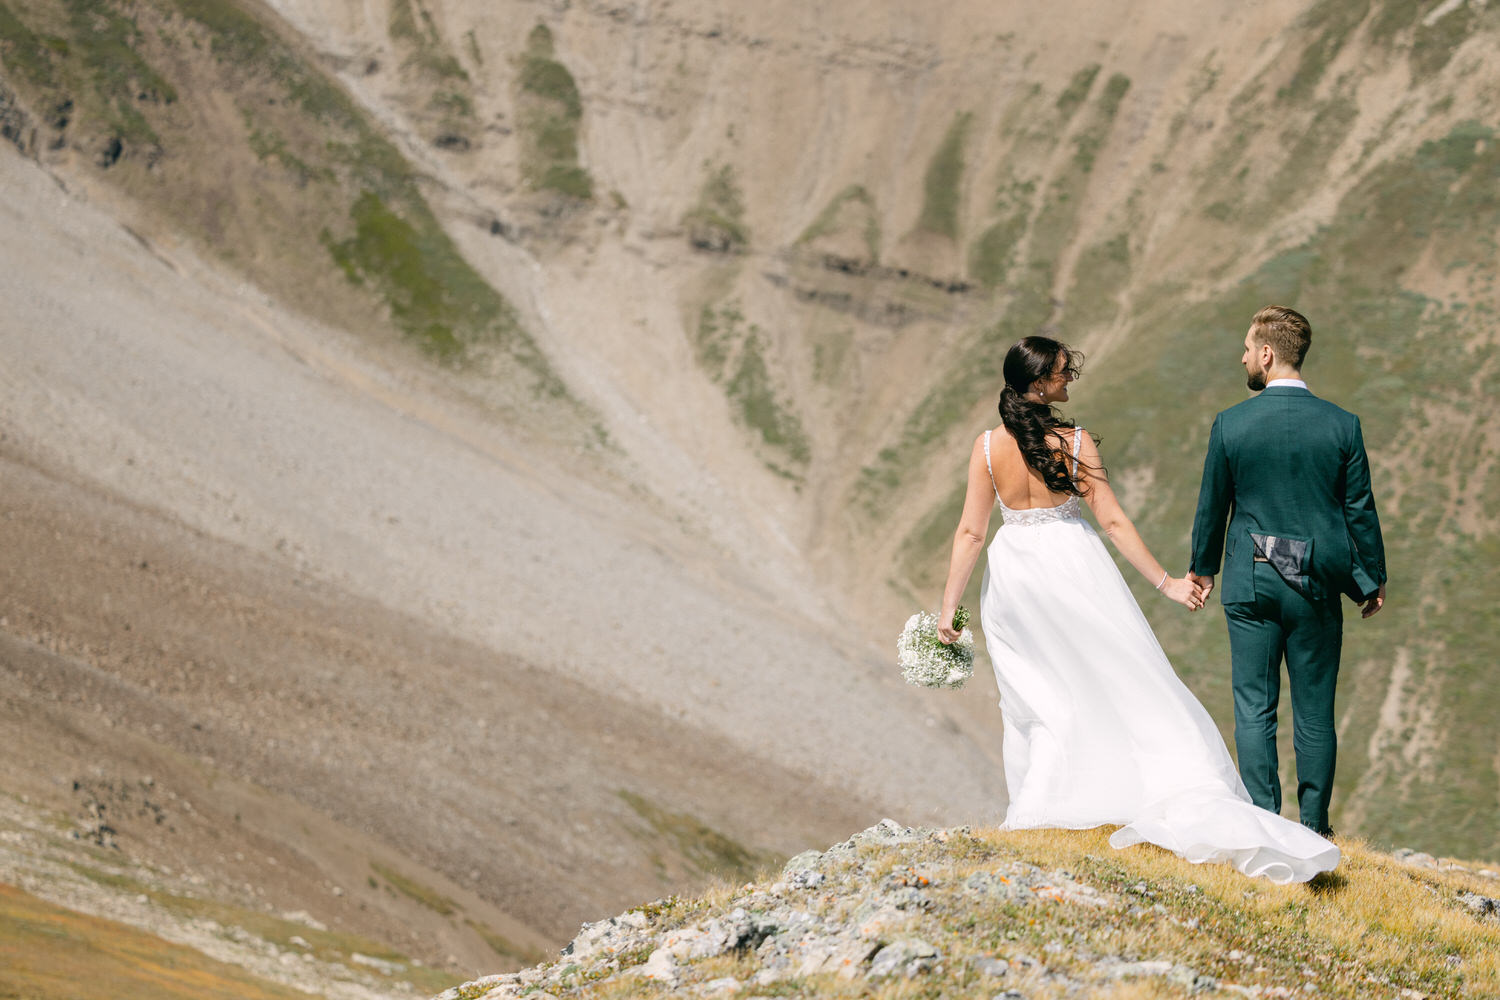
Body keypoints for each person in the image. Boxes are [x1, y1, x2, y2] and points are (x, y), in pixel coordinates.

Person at [936, 335, 1338, 883]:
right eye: (1061, 372)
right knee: (1116, 674)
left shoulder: (986, 448)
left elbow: (969, 533)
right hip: (1073, 567)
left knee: (1037, 693)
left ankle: (1042, 800)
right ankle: (1122, 781)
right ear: (1038, 383)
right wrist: (1166, 583)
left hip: (1014, 580)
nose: (1068, 379)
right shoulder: (1075, 441)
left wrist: (948, 611)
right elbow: (1114, 523)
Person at [1188, 305, 1386, 837]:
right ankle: (1316, 830)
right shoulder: (1343, 425)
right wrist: (1371, 579)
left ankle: (1261, 824)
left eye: (1249, 348)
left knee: (1254, 707)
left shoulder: (1232, 423)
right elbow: (1359, 510)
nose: (1244, 357)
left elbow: (1213, 505)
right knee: (1315, 713)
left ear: (1269, 354)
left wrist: (1202, 570)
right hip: (1316, 585)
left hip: (1249, 581)